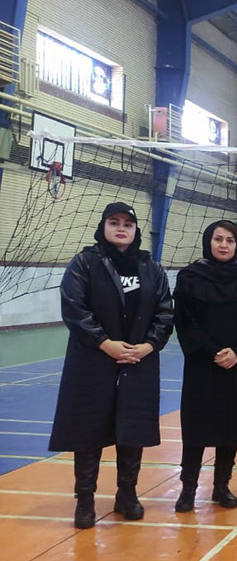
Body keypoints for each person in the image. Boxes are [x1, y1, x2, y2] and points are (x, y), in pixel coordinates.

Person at [49, 203, 174, 529]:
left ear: (136, 230)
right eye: (114, 222)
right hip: (92, 360)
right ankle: (85, 501)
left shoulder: (151, 268)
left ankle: (127, 495)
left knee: (133, 428)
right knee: (87, 430)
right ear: (103, 226)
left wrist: (148, 346)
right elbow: (74, 308)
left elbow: (165, 312)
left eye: (127, 224)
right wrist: (105, 343)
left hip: (139, 360)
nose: (121, 228)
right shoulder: (84, 263)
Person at [173, 221, 237, 512]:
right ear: (208, 241)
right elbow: (184, 321)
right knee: (196, 427)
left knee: (231, 426)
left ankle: (222, 486)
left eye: (230, 240)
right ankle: (188, 488)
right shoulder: (189, 278)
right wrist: (212, 350)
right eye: (218, 239)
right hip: (202, 364)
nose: (224, 245)